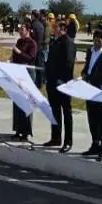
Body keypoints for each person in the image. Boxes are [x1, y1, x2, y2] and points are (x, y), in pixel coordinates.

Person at [42, 18, 76, 152]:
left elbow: (68, 63)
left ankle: (68, 141)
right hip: (52, 82)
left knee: (66, 112)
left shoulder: (67, 43)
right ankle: (55, 137)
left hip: (63, 83)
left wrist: (62, 79)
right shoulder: (54, 42)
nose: (52, 29)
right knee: (55, 110)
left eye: (55, 27)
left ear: (62, 29)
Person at [81, 29, 102, 160]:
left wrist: (91, 79)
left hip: (101, 91)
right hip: (89, 90)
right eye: (94, 41)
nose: (96, 43)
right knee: (92, 119)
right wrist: (84, 73)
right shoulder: (90, 51)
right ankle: (95, 143)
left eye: (99, 41)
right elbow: (87, 66)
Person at [10, 23, 38, 141]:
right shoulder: (19, 42)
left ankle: (26, 131)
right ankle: (18, 129)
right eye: (19, 30)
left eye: (22, 30)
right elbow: (15, 56)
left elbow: (31, 58)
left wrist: (19, 52)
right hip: (18, 72)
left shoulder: (32, 43)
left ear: (28, 31)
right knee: (17, 102)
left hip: (27, 72)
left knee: (26, 102)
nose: (20, 32)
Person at [30, 11, 48, 89]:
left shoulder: (34, 25)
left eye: (31, 15)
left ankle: (37, 83)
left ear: (33, 16)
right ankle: (40, 83)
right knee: (39, 66)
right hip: (40, 47)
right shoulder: (41, 24)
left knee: (34, 67)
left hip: (35, 48)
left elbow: (33, 37)